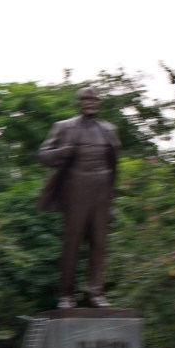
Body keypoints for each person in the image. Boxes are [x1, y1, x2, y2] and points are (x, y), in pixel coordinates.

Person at [38, 86, 121, 309]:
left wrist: (111, 198)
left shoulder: (109, 129)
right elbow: (43, 155)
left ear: (99, 103)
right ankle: (66, 294)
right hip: (76, 189)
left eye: (94, 99)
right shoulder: (64, 127)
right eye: (85, 99)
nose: (90, 102)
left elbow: (114, 166)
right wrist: (60, 152)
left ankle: (96, 293)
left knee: (99, 243)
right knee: (72, 242)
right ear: (78, 103)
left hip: (102, 190)